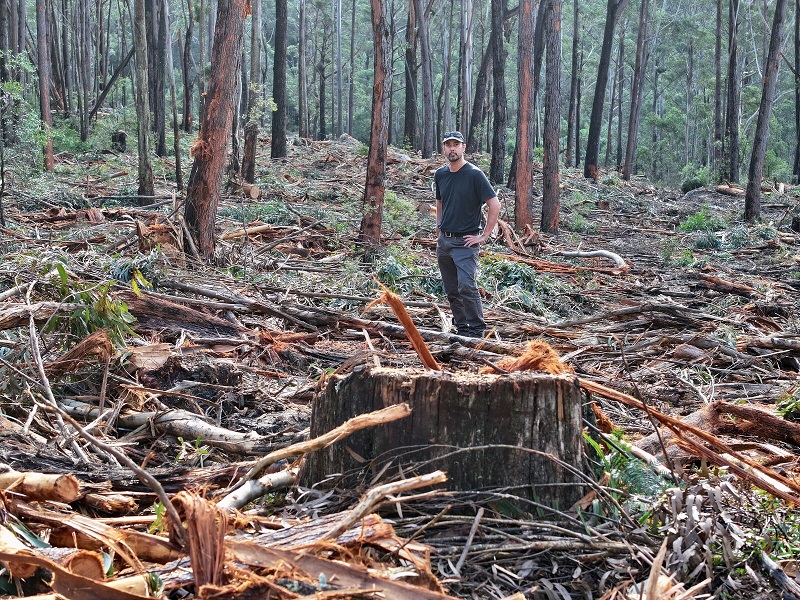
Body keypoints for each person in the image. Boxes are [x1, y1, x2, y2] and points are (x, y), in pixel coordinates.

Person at [434, 131, 500, 339]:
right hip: (444, 242)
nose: (452, 148)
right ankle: (462, 330)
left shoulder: (474, 174)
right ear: (444, 148)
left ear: (464, 147)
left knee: (466, 286)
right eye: (448, 145)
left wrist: (484, 236)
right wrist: (438, 225)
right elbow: (440, 201)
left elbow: (494, 204)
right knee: (452, 289)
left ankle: (477, 331)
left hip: (466, 242)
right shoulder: (440, 174)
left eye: (456, 144)